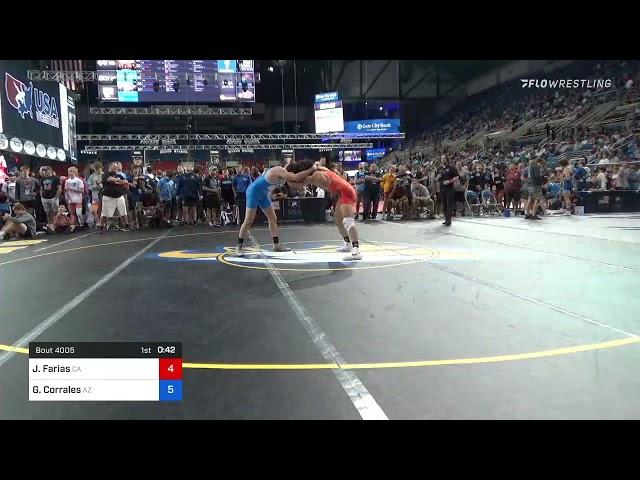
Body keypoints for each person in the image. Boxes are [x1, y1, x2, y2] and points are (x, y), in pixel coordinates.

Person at [236, 162, 316, 257]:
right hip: (253, 193)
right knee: (248, 220)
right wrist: (312, 168)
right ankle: (239, 247)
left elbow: (294, 176)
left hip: (264, 195)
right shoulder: (281, 172)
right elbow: (297, 177)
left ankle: (276, 245)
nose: (291, 175)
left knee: (273, 218)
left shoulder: (284, 171)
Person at [287, 160, 362, 260]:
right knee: (338, 221)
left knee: (347, 221)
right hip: (342, 192)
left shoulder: (314, 177)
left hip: (347, 192)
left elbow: (294, 184)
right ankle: (347, 244)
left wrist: (285, 177)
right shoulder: (320, 169)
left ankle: (356, 250)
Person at [99, 162, 130, 233]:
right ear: (110, 167)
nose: (116, 168)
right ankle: (101, 227)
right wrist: (118, 180)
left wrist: (118, 181)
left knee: (123, 211)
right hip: (108, 197)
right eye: (114, 167)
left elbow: (126, 182)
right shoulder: (105, 174)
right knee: (105, 213)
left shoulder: (118, 175)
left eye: (117, 167)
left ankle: (126, 225)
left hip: (119, 196)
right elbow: (109, 179)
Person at [439, 155, 459, 226]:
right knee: (444, 205)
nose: (443, 160)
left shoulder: (451, 168)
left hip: (449, 189)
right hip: (442, 189)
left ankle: (449, 220)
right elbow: (438, 178)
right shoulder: (440, 168)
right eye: (442, 158)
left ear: (447, 159)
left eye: (444, 158)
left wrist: (450, 181)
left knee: (449, 204)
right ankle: (446, 218)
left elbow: (457, 177)